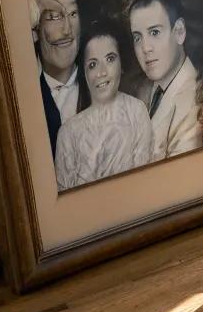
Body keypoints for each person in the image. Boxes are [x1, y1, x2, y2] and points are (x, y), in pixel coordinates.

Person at [54, 17, 154, 191]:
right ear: (84, 73)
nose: (101, 72)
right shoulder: (68, 134)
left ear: (121, 64)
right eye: (93, 64)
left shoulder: (137, 111)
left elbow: (143, 183)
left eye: (110, 59)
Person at [128, 0, 202, 159]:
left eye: (154, 32)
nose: (145, 48)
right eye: (137, 37)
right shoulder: (143, 91)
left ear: (179, 32)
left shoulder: (196, 105)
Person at [32, 0, 81, 159]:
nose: (67, 30)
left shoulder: (107, 82)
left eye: (73, 13)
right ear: (34, 28)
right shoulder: (24, 96)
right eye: (53, 17)